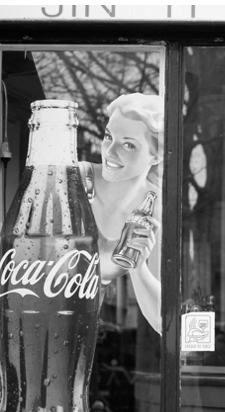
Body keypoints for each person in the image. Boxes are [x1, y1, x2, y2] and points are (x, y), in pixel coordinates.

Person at [79, 93, 163, 333]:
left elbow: (162, 322)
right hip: (55, 321)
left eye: (128, 144)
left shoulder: (156, 207)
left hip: (103, 333)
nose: (110, 151)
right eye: (108, 136)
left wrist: (138, 268)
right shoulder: (75, 179)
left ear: (155, 155)